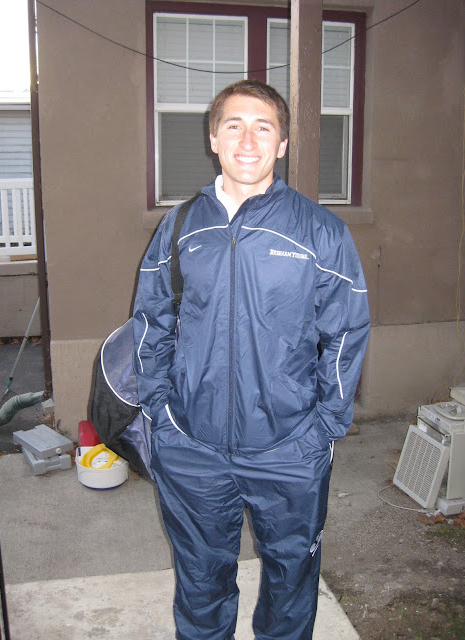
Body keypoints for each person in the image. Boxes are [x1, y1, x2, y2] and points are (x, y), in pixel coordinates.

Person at [133, 79, 370, 640]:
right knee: (200, 582)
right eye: (233, 125)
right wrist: (161, 413)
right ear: (213, 138)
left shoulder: (321, 232)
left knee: (291, 583)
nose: (247, 140)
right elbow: (150, 321)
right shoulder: (180, 227)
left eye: (263, 127)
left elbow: (347, 332)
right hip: (192, 446)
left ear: (282, 144)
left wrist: (324, 427)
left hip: (289, 449)